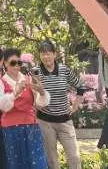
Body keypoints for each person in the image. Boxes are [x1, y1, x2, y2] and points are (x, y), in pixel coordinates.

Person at [0, 48, 51, 169]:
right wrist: (15, 93)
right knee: (16, 164)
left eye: (19, 63)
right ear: (5, 63)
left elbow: (40, 103)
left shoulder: (28, 80)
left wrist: (42, 92)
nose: (16, 66)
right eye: (13, 63)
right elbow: (1, 106)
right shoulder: (0, 82)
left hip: (31, 128)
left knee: (38, 164)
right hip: (11, 130)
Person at [34, 41, 81, 169]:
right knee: (52, 161)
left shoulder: (64, 70)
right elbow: (31, 93)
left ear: (54, 54)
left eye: (48, 53)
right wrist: (36, 102)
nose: (46, 57)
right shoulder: (35, 71)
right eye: (43, 54)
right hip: (45, 123)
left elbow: (80, 86)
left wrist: (75, 105)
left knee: (74, 158)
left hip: (65, 121)